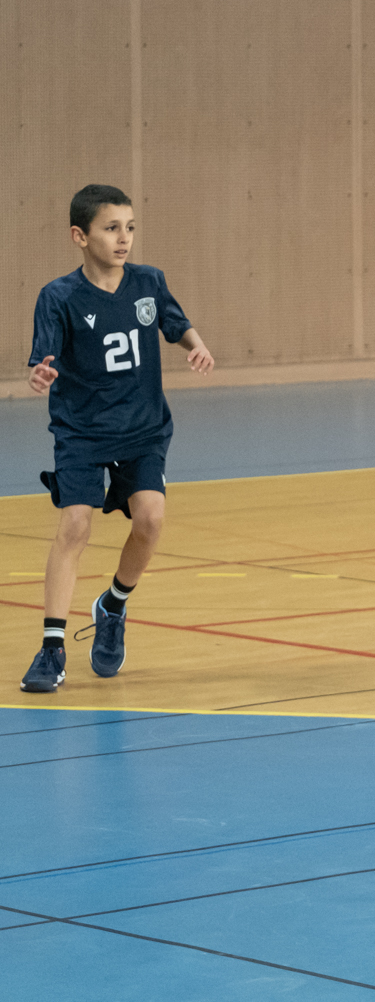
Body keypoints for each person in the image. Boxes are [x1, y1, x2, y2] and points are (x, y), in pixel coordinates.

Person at [20, 184, 214, 693]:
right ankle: (52, 649)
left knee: (150, 519)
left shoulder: (148, 281)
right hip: (82, 430)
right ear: (80, 236)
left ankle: (113, 606)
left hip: (142, 428)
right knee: (75, 526)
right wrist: (40, 373)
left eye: (129, 227)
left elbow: (175, 322)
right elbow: (43, 356)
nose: (123, 238)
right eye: (111, 228)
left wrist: (196, 345)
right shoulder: (58, 296)